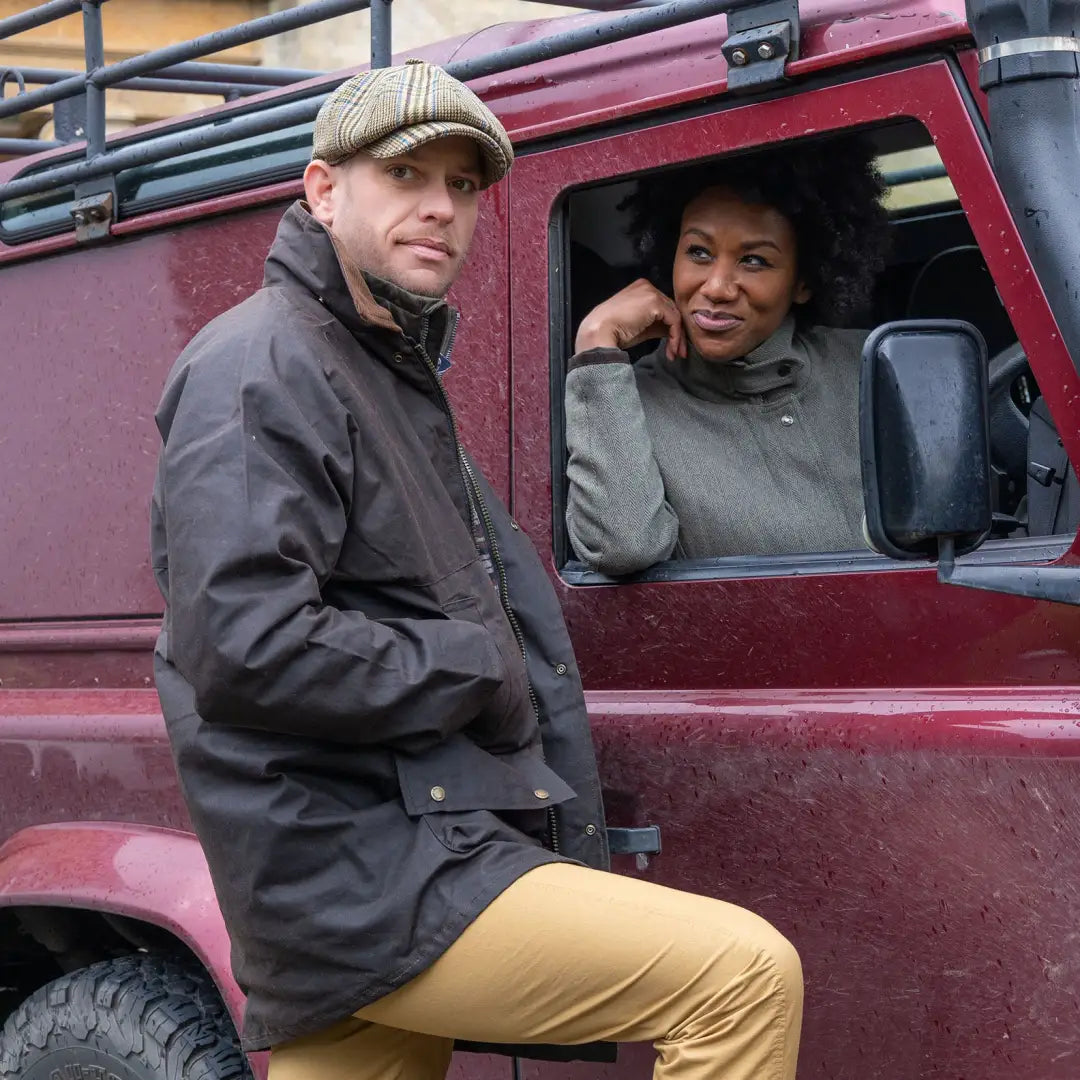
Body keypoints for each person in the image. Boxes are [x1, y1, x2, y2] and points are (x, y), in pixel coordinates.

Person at [150, 59, 802, 1080]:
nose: (440, 208)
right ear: (324, 190)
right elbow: (245, 644)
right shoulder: (263, 365)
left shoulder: (376, 360)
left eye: (461, 186)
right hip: (367, 871)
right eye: (407, 174)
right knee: (741, 979)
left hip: (372, 857)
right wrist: (472, 663)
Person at [565, 138, 890, 575]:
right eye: (698, 252)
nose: (717, 287)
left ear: (804, 281)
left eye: (754, 260)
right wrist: (595, 339)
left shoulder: (870, 365)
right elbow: (624, 547)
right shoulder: (626, 405)